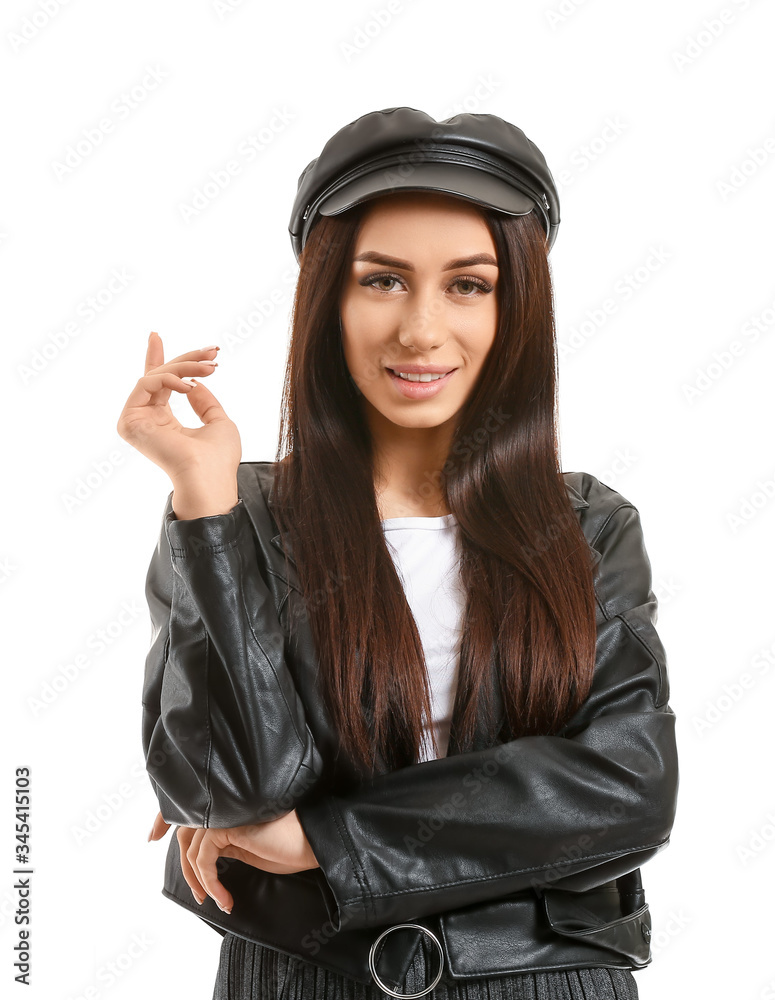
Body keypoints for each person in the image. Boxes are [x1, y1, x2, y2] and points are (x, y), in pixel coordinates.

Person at [118, 107, 679, 1000]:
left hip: (539, 980)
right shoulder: (240, 513)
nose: (421, 329)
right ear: (328, 298)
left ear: (516, 306)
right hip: (299, 973)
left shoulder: (588, 527)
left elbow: (624, 790)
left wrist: (328, 839)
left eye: (468, 284)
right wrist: (206, 502)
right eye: (382, 280)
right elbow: (234, 788)